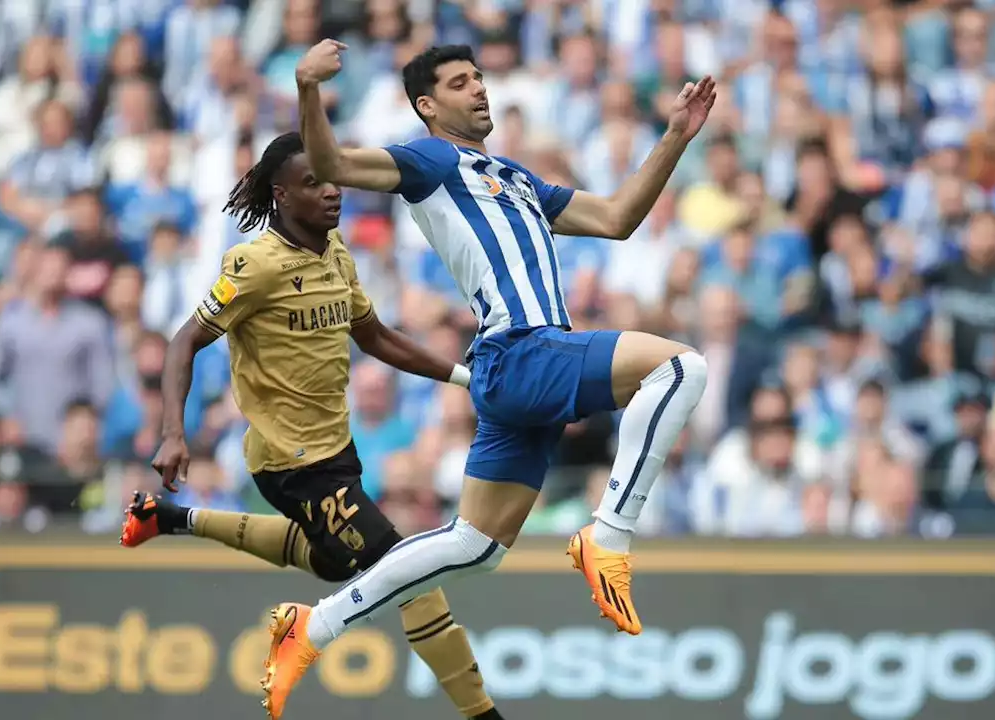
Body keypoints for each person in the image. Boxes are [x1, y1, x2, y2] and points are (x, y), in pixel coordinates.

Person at [257, 40, 715, 718]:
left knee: (474, 547)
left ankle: (314, 625)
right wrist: (306, 88)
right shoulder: (429, 159)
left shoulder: (517, 178)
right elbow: (330, 163)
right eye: (459, 82)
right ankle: (609, 535)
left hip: (509, 369)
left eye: (479, 78)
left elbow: (617, 220)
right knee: (682, 366)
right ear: (426, 105)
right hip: (523, 350)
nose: (478, 89)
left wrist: (675, 136)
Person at [123, 132, 507, 720]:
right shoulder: (253, 266)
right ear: (280, 195)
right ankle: (482, 714)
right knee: (408, 573)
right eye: (313, 183)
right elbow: (183, 342)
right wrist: (174, 432)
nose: (332, 192)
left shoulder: (336, 254)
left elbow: (376, 338)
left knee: (332, 562)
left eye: (334, 180)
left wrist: (463, 378)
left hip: (337, 450)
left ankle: (169, 518)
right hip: (291, 463)